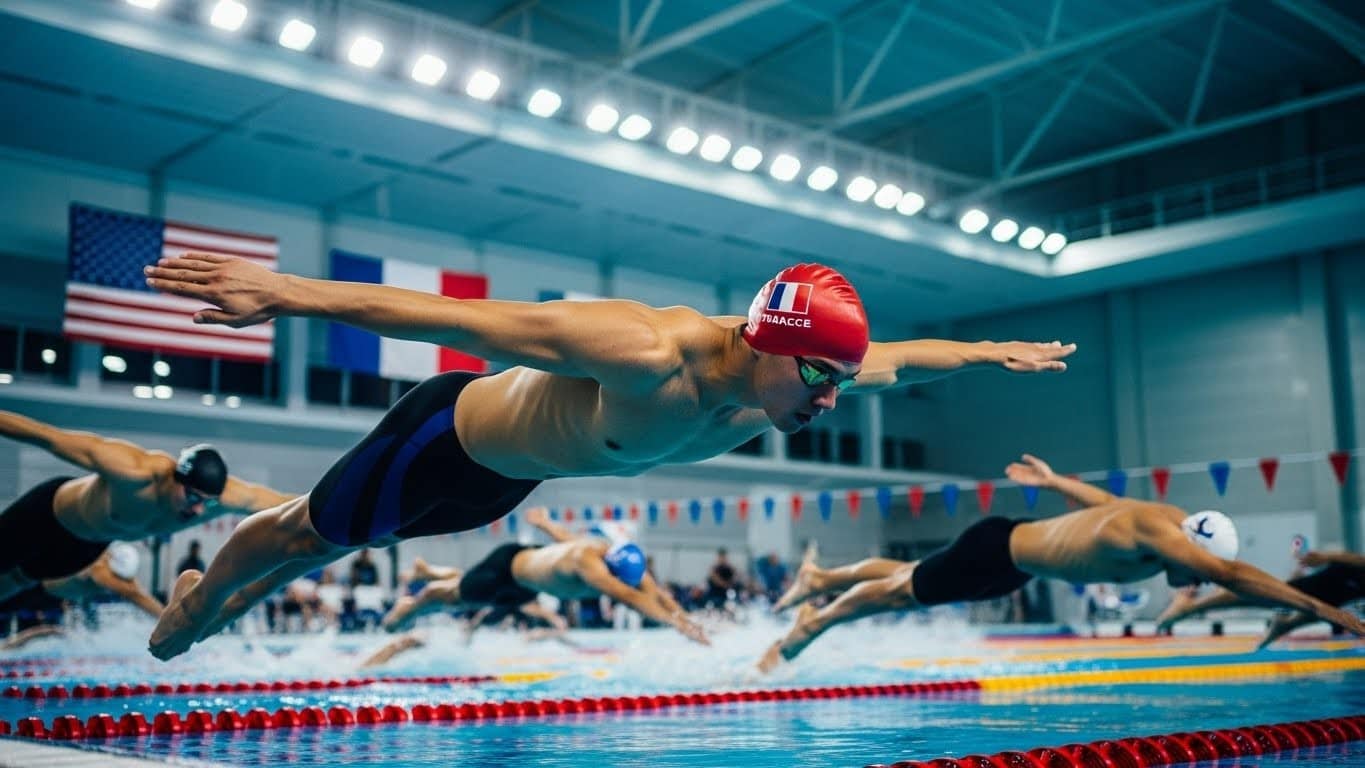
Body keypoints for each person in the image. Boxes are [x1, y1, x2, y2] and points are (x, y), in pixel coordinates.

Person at [141, 254, 1075, 660]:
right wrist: (285, 293)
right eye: (821, 376)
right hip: (444, 441)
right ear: (762, 341)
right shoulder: (644, 350)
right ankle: (196, 602)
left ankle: (212, 599)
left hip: (506, 482)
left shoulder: (797, 368)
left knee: (329, 547)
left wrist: (995, 353)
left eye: (839, 377)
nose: (833, 397)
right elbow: (456, 319)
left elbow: (906, 363)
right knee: (308, 536)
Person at [758, 453, 1365, 672]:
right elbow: (1237, 580)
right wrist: (1323, 608)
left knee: (898, 576)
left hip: (1013, 562)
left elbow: (1104, 504)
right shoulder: (1167, 539)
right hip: (996, 550)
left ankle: (820, 578)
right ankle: (814, 622)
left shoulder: (1161, 522)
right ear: (1195, 548)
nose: (1190, 582)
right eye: (1196, 571)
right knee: (897, 593)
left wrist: (1053, 482)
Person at [0, 411, 293, 606]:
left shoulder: (224, 499)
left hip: (86, 547)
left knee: (16, 582)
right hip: (47, 515)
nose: (199, 511)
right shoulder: (133, 472)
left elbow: (282, 502)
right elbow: (45, 436)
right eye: (193, 498)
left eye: (208, 502)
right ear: (174, 478)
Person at [377, 506, 702, 643]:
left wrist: (688, 621)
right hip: (504, 571)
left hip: (528, 588)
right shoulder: (589, 563)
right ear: (609, 570)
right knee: (446, 598)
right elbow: (629, 597)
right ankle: (412, 603)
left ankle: (429, 570)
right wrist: (676, 626)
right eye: (614, 580)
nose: (617, 584)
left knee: (462, 585)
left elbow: (653, 591)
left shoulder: (611, 552)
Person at [1157, 549, 1365, 648]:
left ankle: (1284, 625)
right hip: (1346, 576)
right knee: (1269, 595)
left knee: (1324, 608)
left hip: (1351, 587)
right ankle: (1190, 606)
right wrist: (1330, 557)